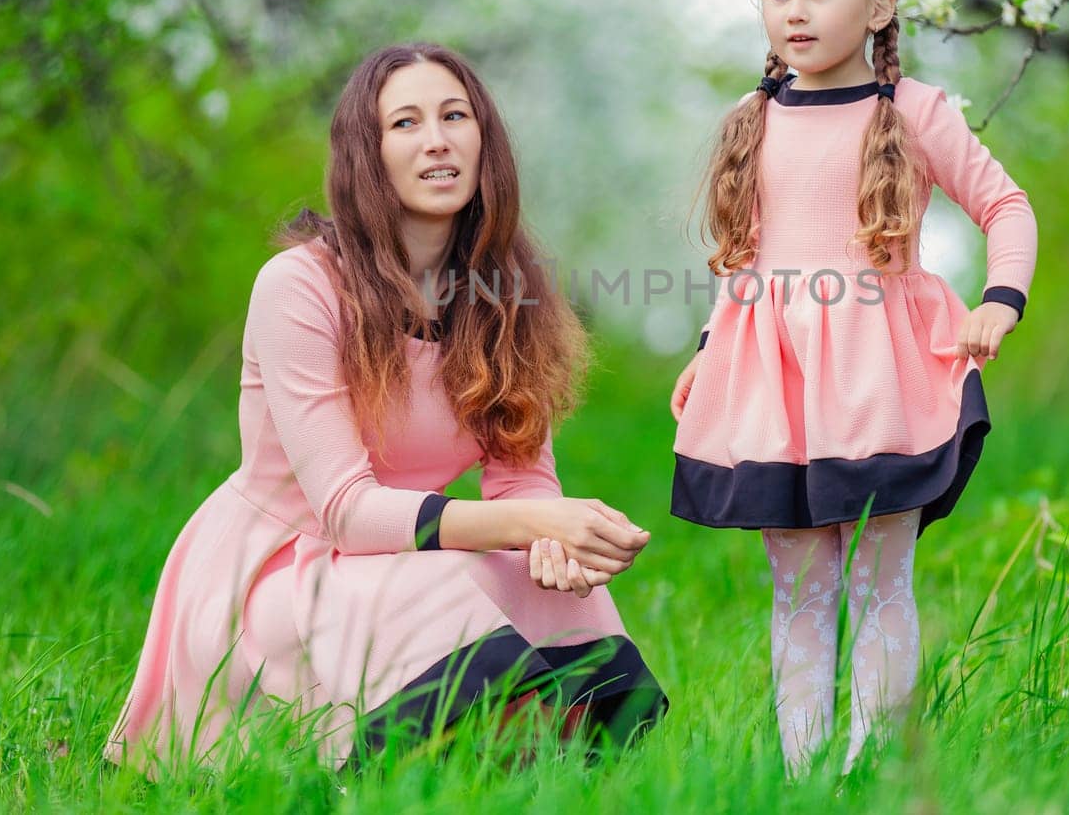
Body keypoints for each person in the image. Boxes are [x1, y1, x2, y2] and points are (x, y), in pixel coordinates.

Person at [106, 42, 666, 775]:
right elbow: (344, 512)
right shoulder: (299, 288)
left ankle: (534, 779)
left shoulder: (509, 291)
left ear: (484, 141)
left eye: (455, 115)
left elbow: (522, 479)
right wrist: (533, 524)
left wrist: (553, 545)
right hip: (282, 569)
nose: (436, 138)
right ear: (366, 156)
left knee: (558, 595)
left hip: (398, 552)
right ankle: (418, 768)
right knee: (433, 584)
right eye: (405, 123)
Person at [667, 0, 1037, 773]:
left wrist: (1001, 299)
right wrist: (708, 354)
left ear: (878, 6)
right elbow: (744, 266)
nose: (796, 11)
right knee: (797, 587)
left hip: (880, 381)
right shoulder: (750, 123)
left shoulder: (913, 111)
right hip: (776, 388)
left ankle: (866, 769)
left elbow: (1006, 204)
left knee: (879, 582)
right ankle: (803, 773)